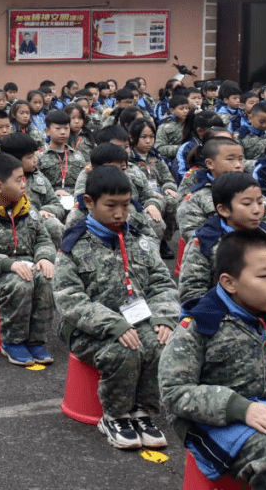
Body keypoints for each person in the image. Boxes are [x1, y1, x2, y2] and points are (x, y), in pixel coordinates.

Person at [159, 230, 266, 489]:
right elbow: (173, 392)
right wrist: (240, 408)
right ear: (229, 282)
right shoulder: (200, 325)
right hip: (211, 422)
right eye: (264, 276)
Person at [54, 166, 178, 450]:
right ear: (89, 202)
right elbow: (69, 298)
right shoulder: (74, 244)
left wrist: (163, 317)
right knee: (125, 350)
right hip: (87, 327)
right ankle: (115, 414)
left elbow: (162, 285)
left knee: (159, 343)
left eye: (126, 205)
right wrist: (112, 324)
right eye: (111, 206)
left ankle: (141, 410)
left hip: (137, 319)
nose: (120, 214)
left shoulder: (140, 240)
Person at [0, 152, 56, 366]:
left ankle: (36, 340)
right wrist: (10, 264)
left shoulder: (26, 210)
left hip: (25, 268)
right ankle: (13, 341)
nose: (24, 184)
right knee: (20, 283)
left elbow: (44, 240)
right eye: (18, 180)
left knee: (47, 278)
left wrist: (44, 257)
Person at [178, 172, 266, 309]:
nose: (257, 210)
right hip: (224, 321)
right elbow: (192, 293)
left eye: (260, 202)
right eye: (247, 203)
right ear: (223, 210)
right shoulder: (205, 243)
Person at [154, 93, 191, 161]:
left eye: (187, 108)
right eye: (181, 109)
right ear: (172, 110)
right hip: (173, 160)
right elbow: (159, 147)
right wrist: (181, 149)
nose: (185, 111)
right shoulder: (165, 127)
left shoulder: (192, 123)